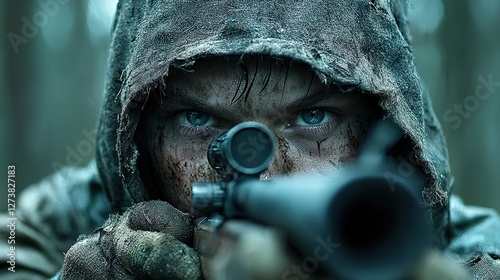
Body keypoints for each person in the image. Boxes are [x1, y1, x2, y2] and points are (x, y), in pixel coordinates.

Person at [1, 0, 500, 279]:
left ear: (380, 129)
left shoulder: (470, 247)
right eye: (198, 119)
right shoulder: (55, 219)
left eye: (313, 117)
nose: (262, 171)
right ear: (136, 135)